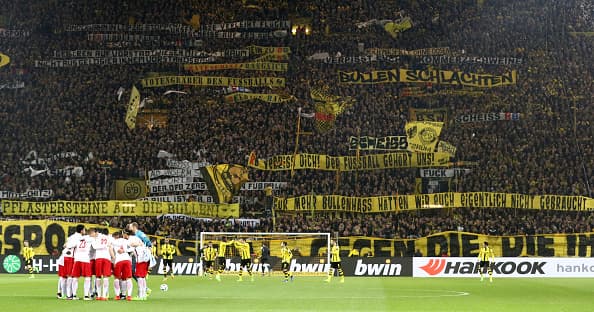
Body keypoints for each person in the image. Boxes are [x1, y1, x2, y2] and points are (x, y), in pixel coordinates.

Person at [68, 228, 95, 300]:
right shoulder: (91, 239)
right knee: (87, 277)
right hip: (85, 259)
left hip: (77, 259)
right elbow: (95, 247)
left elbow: (69, 246)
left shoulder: (78, 238)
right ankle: (86, 296)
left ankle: (74, 295)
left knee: (75, 278)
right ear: (90, 233)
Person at [64, 224, 85, 300]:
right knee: (72, 276)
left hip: (67, 256)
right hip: (71, 257)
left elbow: (65, 245)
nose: (85, 231)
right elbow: (69, 246)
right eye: (84, 230)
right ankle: (71, 295)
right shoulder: (79, 237)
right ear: (82, 230)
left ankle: (70, 294)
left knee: (70, 276)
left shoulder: (71, 236)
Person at [91, 228, 113, 300]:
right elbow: (111, 248)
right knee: (106, 277)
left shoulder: (97, 238)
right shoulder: (110, 238)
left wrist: (101, 246)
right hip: (107, 258)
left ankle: (99, 295)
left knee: (98, 277)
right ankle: (104, 296)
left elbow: (94, 247)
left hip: (98, 258)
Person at [128, 230, 150, 300]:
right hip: (145, 260)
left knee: (140, 277)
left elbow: (132, 247)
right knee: (142, 277)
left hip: (140, 261)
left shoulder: (133, 240)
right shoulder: (141, 241)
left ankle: (141, 295)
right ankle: (143, 295)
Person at [112, 231, 133, 301]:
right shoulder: (126, 241)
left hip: (118, 261)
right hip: (127, 260)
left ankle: (117, 295)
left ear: (115, 236)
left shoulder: (113, 241)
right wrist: (125, 251)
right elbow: (132, 249)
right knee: (127, 278)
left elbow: (110, 249)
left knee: (116, 278)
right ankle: (127, 295)